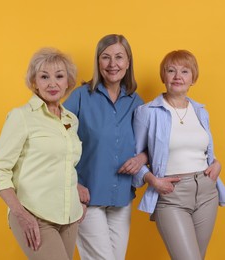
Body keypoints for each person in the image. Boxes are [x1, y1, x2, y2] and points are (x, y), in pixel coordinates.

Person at [133, 50, 225, 260]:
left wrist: (217, 163)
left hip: (207, 192)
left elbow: (203, 150)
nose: (178, 76)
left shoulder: (201, 111)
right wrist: (152, 180)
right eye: (171, 70)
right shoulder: (147, 112)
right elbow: (134, 159)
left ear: (193, 79)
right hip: (171, 196)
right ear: (164, 77)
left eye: (184, 71)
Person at [0, 48, 84, 260]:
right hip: (33, 214)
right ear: (34, 82)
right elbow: (0, 170)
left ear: (68, 81)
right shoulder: (21, 117)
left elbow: (63, 162)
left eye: (59, 76)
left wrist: (78, 197)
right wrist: (21, 214)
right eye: (44, 77)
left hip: (70, 216)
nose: (52, 83)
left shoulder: (70, 119)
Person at [64, 34, 146, 260]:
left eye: (119, 57)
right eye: (106, 57)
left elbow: (150, 142)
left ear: (128, 62)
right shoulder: (80, 97)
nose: (113, 64)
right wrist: (74, 183)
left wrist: (142, 157)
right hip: (87, 197)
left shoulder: (135, 101)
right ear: (97, 61)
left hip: (121, 197)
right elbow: (56, 140)